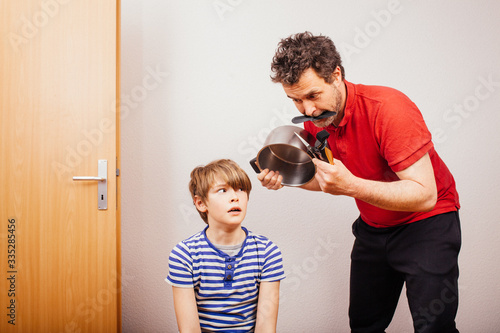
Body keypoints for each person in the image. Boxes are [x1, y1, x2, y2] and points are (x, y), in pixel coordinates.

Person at [258, 31, 461, 333]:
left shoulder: (388, 109)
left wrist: (351, 185)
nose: (308, 111)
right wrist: (287, 178)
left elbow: (425, 194)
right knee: (364, 324)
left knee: (434, 327)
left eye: (313, 95)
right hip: (374, 227)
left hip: (427, 223)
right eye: (295, 100)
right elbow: (326, 180)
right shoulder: (319, 120)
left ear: (336, 75)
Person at [166, 159, 285, 332]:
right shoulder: (184, 254)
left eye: (241, 189)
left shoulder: (267, 252)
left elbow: (266, 327)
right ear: (201, 203)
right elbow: (189, 330)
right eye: (222, 190)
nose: (235, 197)